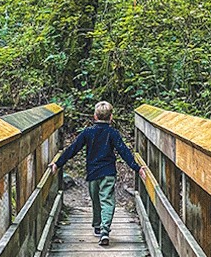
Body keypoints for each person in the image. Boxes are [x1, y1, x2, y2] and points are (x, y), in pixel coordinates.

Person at [50, 101, 147, 246]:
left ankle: (100, 228)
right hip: (108, 172)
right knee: (107, 200)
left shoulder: (88, 132)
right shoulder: (113, 133)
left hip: (93, 173)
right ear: (111, 117)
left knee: (95, 199)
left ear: (95, 116)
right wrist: (137, 167)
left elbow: (73, 149)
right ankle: (103, 229)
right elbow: (124, 151)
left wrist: (58, 163)